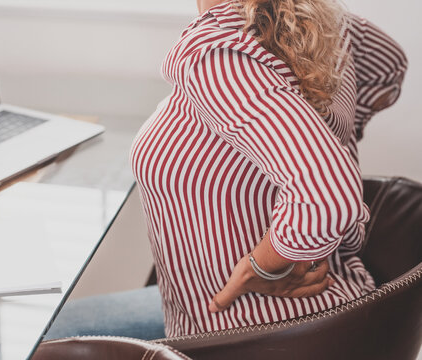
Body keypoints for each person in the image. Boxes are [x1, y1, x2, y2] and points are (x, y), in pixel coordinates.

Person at [45, 0, 407, 341]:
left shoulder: (219, 55)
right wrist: (332, 137)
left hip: (248, 333)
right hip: (337, 312)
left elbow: (327, 196)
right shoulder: (323, 22)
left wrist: (263, 267)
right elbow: (388, 65)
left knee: (35, 341)